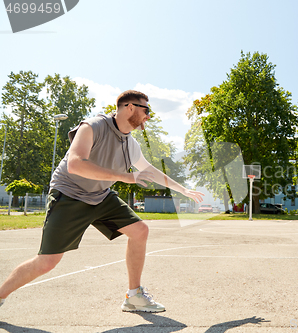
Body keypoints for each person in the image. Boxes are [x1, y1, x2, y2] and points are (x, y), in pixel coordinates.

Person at [0, 90, 204, 312]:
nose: (148, 116)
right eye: (146, 110)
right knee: (47, 262)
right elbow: (75, 164)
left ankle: (134, 296)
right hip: (69, 194)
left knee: (140, 231)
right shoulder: (93, 126)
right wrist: (126, 177)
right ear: (130, 107)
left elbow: (149, 171)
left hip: (100, 196)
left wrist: (183, 189)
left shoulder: (130, 144)